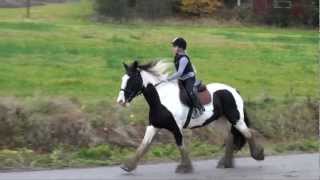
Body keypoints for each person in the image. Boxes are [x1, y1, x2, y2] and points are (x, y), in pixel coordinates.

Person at [165, 37, 205, 118]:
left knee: (190, 91)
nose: (173, 48)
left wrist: (169, 78)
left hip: (189, 79)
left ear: (180, 48)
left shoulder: (183, 58)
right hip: (182, 78)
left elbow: (179, 73)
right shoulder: (177, 55)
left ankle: (199, 108)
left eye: (174, 46)